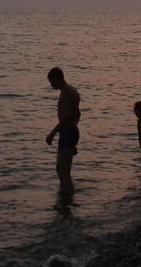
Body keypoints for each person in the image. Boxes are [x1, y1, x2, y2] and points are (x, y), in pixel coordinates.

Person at [45, 67, 81, 205]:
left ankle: (67, 201)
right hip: (69, 132)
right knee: (62, 170)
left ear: (58, 77)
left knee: (63, 171)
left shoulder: (68, 93)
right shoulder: (68, 92)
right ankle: (64, 197)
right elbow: (77, 114)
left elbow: (67, 118)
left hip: (68, 132)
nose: (51, 84)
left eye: (51, 81)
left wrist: (52, 133)